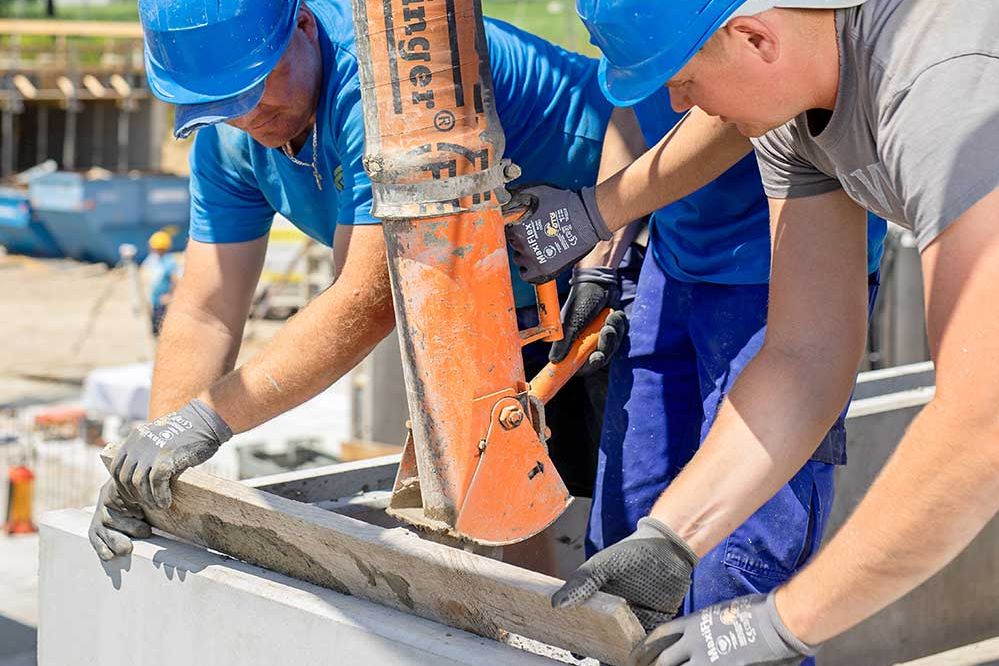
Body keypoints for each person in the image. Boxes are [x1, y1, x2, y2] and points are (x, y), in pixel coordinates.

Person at [504, 0, 999, 663]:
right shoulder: (788, 105)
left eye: (682, 79)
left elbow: (981, 421)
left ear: (754, 38)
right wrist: (670, 536)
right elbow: (804, 355)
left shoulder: (946, 84)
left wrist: (779, 623)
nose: (677, 107)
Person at [88, 0, 638, 560]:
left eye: (254, 90)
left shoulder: (391, 82)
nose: (248, 117)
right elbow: (207, 310)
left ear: (302, 26)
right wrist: (153, 453)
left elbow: (368, 300)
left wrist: (207, 419)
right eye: (223, 106)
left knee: (631, 511)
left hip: (619, 247)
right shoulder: (230, 136)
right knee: (517, 514)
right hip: (494, 292)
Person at [141, 230, 179, 337]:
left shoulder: (169, 262)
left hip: (163, 301)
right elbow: (147, 278)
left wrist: (170, 295)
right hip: (154, 299)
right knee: (154, 328)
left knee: (163, 328)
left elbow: (175, 280)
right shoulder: (151, 260)